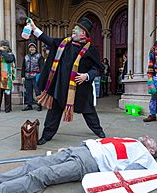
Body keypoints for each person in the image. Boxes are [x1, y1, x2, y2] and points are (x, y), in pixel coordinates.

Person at [0, 136, 157, 193]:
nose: (147, 138)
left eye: (151, 142)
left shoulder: (144, 157)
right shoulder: (132, 141)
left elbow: (128, 176)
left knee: (40, 175)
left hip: (88, 164)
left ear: (152, 151)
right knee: (31, 164)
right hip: (78, 150)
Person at [29, 17, 106, 145]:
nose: (73, 30)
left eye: (76, 29)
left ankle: (98, 130)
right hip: (61, 86)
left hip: (80, 87)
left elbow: (97, 68)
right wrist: (34, 29)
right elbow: (49, 41)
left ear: (83, 33)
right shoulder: (65, 44)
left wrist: (86, 76)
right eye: (74, 28)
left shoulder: (91, 49)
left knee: (88, 111)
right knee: (54, 112)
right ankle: (46, 135)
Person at [0, 40, 16, 113]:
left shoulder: (11, 54)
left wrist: (3, 51)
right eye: (2, 46)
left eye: (5, 46)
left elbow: (9, 59)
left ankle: (8, 108)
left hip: (7, 76)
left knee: (7, 92)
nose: (3, 47)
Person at [21, 40, 44, 111]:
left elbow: (42, 67)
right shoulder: (26, 57)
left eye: (33, 47)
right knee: (28, 91)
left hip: (36, 76)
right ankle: (29, 105)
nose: (32, 48)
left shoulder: (39, 56)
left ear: (35, 48)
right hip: (27, 76)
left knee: (37, 91)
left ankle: (39, 105)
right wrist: (23, 76)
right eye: (30, 47)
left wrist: (42, 76)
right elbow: (23, 67)